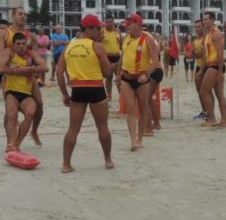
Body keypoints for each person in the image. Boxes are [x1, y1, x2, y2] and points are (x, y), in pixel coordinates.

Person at [57, 14, 114, 172]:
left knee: (73, 129)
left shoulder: (69, 46)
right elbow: (108, 71)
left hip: (78, 89)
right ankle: (108, 160)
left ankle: (66, 164)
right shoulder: (97, 46)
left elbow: (59, 72)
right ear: (89, 29)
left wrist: (65, 94)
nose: (100, 31)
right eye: (98, 28)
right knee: (102, 127)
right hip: (96, 87)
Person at [0, 7, 46, 147]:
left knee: (39, 105)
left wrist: (36, 71)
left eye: (24, 14)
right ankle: (10, 143)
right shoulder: (4, 33)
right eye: (20, 14)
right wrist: (12, 65)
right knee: (10, 112)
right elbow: (1, 54)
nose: (23, 16)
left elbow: (36, 55)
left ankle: (34, 131)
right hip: (10, 75)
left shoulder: (30, 35)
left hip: (27, 76)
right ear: (13, 16)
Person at [118, 13, 161, 150]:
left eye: (129, 24)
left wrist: (147, 74)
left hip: (142, 77)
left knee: (143, 109)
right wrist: (118, 74)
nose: (126, 26)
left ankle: (140, 137)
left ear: (137, 24)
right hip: (126, 77)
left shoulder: (148, 39)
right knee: (130, 109)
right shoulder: (126, 38)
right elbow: (123, 56)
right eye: (126, 24)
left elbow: (155, 60)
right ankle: (133, 140)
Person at [199, 12, 226, 127]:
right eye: (203, 19)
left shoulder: (217, 34)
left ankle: (213, 118)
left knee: (204, 92)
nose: (204, 21)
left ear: (212, 20)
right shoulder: (208, 35)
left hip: (215, 65)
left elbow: (220, 54)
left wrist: (220, 72)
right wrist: (201, 70)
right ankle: (221, 120)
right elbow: (206, 55)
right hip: (210, 64)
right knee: (217, 93)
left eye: (206, 19)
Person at [101, 15, 122, 102]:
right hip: (107, 57)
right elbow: (97, 42)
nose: (109, 24)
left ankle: (122, 96)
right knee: (109, 78)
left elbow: (121, 43)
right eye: (107, 22)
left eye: (111, 22)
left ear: (113, 22)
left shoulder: (117, 31)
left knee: (119, 78)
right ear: (104, 23)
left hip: (117, 56)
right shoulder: (102, 31)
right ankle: (109, 96)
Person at [192, 20, 208, 121]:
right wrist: (196, 53)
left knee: (205, 91)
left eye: (199, 27)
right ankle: (204, 111)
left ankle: (209, 112)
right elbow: (195, 53)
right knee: (199, 91)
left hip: (205, 66)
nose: (197, 29)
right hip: (198, 65)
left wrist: (197, 53)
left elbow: (204, 54)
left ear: (203, 27)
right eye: (196, 27)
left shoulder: (206, 38)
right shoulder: (195, 40)